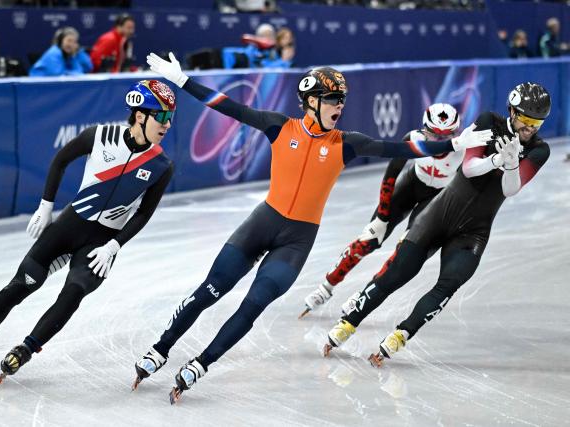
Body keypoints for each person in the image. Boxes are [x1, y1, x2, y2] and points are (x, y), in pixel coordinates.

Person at [132, 52, 492, 403]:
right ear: (311, 101)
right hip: (261, 224)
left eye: (343, 100)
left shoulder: (346, 143)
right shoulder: (279, 126)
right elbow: (230, 107)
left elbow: (402, 146)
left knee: (252, 306)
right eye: (334, 99)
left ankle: (200, 364)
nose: (340, 107)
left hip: (296, 241)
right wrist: (182, 81)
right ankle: (161, 348)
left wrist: (453, 144)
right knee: (209, 291)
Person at [0, 80, 176, 384]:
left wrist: (115, 245)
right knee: (21, 284)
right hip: (69, 226)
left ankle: (26, 349)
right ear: (141, 116)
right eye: (162, 117)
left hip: (101, 243)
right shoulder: (100, 136)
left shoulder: (162, 165)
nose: (167, 124)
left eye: (171, 118)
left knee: (73, 293)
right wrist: (45, 205)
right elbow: (61, 159)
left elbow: (144, 212)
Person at [322, 83, 551, 368]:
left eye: (536, 123)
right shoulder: (488, 122)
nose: (530, 128)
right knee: (396, 274)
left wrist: (512, 164)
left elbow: (510, 189)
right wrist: (496, 159)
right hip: (439, 215)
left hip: (473, 232)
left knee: (447, 286)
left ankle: (400, 336)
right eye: (526, 120)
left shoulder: (540, 150)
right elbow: (469, 168)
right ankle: (348, 324)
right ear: (512, 111)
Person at [299, 103, 462, 318]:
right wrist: (383, 215)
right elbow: (390, 178)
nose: (438, 144)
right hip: (408, 188)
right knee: (369, 238)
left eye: (444, 138)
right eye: (433, 136)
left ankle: (363, 295)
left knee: (403, 252)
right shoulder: (413, 138)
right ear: (424, 130)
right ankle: (326, 286)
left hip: (433, 200)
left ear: (455, 135)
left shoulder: (463, 151)